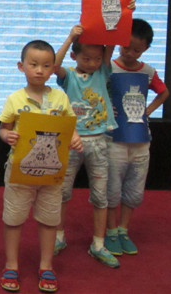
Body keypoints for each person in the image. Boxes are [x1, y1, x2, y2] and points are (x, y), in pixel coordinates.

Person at [0, 40, 82, 293]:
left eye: (46, 66)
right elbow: (3, 128)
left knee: (49, 220)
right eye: (33, 64)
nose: (39, 70)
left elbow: (70, 126)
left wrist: (75, 138)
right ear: (21, 66)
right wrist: (7, 135)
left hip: (52, 172)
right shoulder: (15, 98)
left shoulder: (60, 97)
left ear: (53, 68)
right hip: (20, 170)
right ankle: (11, 265)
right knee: (14, 219)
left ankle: (46, 266)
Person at [53, 23, 123, 268]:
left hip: (99, 142)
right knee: (62, 192)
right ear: (74, 56)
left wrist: (122, 14)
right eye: (86, 58)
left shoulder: (102, 73)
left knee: (100, 196)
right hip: (71, 142)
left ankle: (98, 244)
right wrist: (70, 36)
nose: (92, 63)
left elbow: (111, 41)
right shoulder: (70, 76)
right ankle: (58, 236)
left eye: (97, 59)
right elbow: (53, 66)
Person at [104, 19, 169, 257]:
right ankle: (111, 231)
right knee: (112, 188)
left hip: (141, 140)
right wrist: (106, 109)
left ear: (146, 49)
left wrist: (147, 111)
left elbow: (164, 92)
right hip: (114, 139)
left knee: (134, 189)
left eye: (136, 50)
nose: (129, 53)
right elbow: (96, 91)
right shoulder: (109, 68)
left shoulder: (147, 71)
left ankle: (123, 230)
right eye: (126, 47)